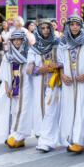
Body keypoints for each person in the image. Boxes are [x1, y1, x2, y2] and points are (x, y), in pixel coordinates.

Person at [57, 16, 84, 153]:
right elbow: (60, 63)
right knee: (69, 110)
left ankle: (79, 141)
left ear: (81, 26)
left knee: (82, 109)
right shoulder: (63, 43)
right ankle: (70, 138)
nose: (74, 27)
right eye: (72, 24)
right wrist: (62, 75)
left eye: (77, 24)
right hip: (69, 83)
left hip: (83, 82)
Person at [26, 20, 61, 153]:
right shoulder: (34, 48)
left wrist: (56, 66)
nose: (45, 30)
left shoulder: (58, 44)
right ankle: (45, 139)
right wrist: (41, 69)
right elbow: (29, 69)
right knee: (42, 110)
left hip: (55, 81)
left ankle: (48, 140)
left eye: (48, 28)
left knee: (51, 110)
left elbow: (64, 61)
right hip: (39, 83)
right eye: (43, 28)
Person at [0, 31, 34, 149]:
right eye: (15, 40)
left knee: (23, 111)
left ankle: (18, 136)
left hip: (25, 87)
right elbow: (4, 72)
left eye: (19, 40)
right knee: (12, 112)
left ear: (24, 41)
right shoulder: (8, 56)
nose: (17, 42)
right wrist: (7, 87)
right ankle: (14, 136)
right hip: (11, 88)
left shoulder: (29, 54)